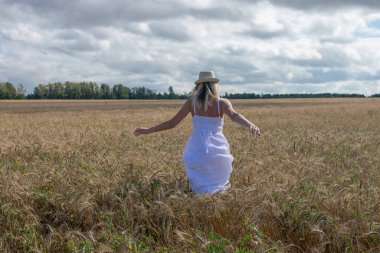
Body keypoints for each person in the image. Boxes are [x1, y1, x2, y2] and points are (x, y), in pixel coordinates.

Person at [134, 71, 261, 195]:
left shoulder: (192, 103)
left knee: (199, 179)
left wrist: (148, 130)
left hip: (197, 145)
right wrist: (250, 125)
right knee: (217, 177)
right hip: (217, 144)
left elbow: (172, 123)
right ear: (214, 85)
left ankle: (200, 196)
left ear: (198, 86)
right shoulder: (222, 103)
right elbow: (234, 116)